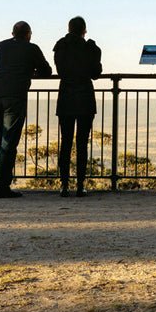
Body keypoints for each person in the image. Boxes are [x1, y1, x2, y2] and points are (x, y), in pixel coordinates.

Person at [0, 20, 52, 198]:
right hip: (14, 97)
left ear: (12, 33)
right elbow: (47, 71)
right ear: (28, 34)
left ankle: (0, 183)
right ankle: (1, 187)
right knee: (9, 143)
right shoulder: (31, 48)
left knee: (2, 141)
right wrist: (29, 72)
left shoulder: (1, 46)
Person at [52, 16, 103, 197]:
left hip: (66, 97)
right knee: (82, 143)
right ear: (84, 30)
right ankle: (80, 185)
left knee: (65, 142)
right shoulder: (90, 48)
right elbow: (96, 73)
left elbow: (60, 70)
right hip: (85, 98)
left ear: (69, 28)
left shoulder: (60, 46)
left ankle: (64, 185)